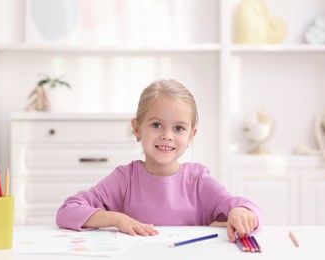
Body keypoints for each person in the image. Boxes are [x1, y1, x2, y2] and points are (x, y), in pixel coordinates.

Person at [56, 79, 262, 242]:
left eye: (179, 128)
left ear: (191, 135)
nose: (167, 135)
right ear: (137, 128)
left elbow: (248, 208)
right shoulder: (125, 178)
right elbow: (67, 211)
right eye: (156, 125)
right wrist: (117, 219)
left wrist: (240, 212)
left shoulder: (198, 179)